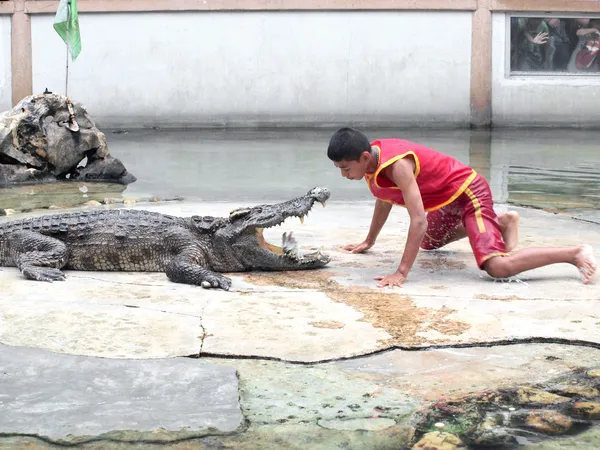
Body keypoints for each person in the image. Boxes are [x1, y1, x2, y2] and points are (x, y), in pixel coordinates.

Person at [326, 127, 597, 288]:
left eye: (346, 169)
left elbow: (418, 220)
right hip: (447, 199)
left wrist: (401, 272)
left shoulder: (396, 165)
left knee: (496, 268)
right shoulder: (371, 163)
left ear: (363, 157)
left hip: (468, 192)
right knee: (429, 242)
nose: (344, 175)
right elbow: (384, 198)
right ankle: (501, 223)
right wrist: (368, 241)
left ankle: (573, 253)